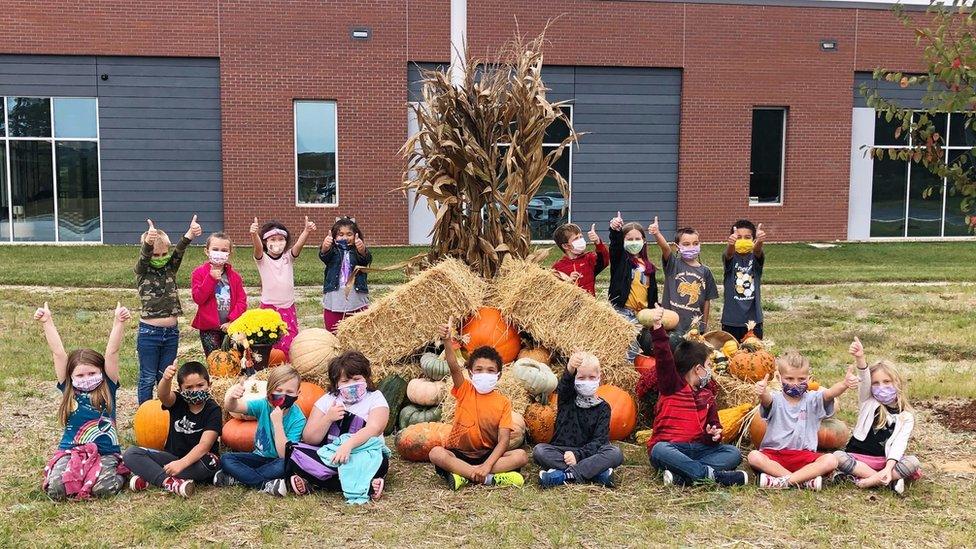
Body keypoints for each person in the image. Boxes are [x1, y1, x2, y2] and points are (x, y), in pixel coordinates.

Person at [642, 306, 747, 487]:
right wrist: (658, 328)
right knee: (658, 449)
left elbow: (714, 428)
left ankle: (683, 476)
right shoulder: (672, 386)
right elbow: (664, 359)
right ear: (698, 369)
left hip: (698, 449)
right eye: (708, 365)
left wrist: (713, 435)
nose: (710, 370)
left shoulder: (708, 396)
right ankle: (711, 475)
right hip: (672, 448)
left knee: (733, 453)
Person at [37, 302, 131, 500]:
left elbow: (112, 352)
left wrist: (118, 322)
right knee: (57, 490)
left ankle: (123, 474)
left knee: (103, 490)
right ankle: (80, 475)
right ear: (70, 376)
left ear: (101, 372)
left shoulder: (108, 386)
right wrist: (47, 321)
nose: (87, 377)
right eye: (80, 375)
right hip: (70, 450)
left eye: (92, 372)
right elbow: (59, 353)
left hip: (106, 452)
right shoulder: (68, 389)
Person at [428, 317, 528, 490]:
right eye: (479, 370)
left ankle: (465, 476)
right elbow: (453, 366)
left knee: (521, 456)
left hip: (487, 455)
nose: (484, 374)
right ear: (471, 373)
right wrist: (446, 340)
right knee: (436, 453)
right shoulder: (464, 389)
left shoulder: (503, 402)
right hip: (459, 454)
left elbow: (504, 441)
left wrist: (487, 465)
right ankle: (487, 478)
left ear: (499, 375)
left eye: (490, 370)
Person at [285, 351, 390, 503]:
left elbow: (375, 428)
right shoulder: (327, 400)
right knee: (295, 452)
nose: (352, 385)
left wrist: (348, 445)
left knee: (381, 460)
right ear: (336, 383)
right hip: (331, 457)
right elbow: (310, 438)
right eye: (345, 381)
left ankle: (317, 481)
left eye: (356, 379)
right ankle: (366, 484)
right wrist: (328, 418)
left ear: (366, 378)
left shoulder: (375, 397)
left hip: (364, 454)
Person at [747, 351, 857, 490]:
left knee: (831, 460)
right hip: (775, 455)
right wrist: (762, 392)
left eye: (801, 379)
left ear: (809, 378)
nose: (795, 384)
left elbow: (829, 394)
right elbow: (766, 400)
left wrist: (844, 384)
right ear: (778, 377)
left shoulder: (813, 400)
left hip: (804, 456)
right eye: (789, 379)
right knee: (754, 456)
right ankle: (803, 481)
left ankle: (783, 481)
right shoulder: (775, 399)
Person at [832, 337, 922, 495]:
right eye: (876, 383)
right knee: (837, 457)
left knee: (913, 462)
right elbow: (864, 378)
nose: (882, 387)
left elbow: (899, 445)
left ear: (898, 383)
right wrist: (860, 358)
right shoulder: (867, 401)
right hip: (859, 458)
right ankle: (885, 481)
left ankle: (871, 479)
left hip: (885, 461)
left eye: (887, 382)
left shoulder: (906, 416)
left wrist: (888, 467)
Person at [123, 361, 222, 498]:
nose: (195, 391)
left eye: (200, 385)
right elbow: (163, 396)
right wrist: (166, 379)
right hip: (173, 458)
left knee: (212, 463)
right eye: (189, 387)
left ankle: (152, 477)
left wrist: (182, 463)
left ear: (209, 385)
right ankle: (169, 482)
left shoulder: (213, 410)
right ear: (181, 390)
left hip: (198, 461)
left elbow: (205, 445)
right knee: (130, 453)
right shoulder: (178, 401)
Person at [134, 215, 202, 403]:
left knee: (165, 376)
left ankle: (165, 410)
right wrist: (148, 243)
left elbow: (179, 251)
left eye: (164, 254)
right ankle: (145, 412)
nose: (160, 258)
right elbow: (143, 258)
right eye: (156, 255)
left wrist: (189, 234)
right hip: (149, 333)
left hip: (171, 333)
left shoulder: (170, 268)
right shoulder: (142, 271)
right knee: (147, 377)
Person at [534, 351, 623, 488]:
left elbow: (599, 441)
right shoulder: (567, 399)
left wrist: (578, 456)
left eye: (592, 377)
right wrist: (570, 368)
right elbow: (564, 386)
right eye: (581, 378)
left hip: (588, 453)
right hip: (562, 451)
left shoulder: (604, 407)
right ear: (574, 379)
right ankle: (595, 474)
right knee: (539, 451)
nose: (587, 381)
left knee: (615, 453)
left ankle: (565, 475)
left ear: (600, 378)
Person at [215, 366, 306, 495]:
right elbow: (233, 407)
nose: (283, 396)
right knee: (226, 458)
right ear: (270, 391)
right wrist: (231, 397)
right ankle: (265, 484)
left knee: (285, 466)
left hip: (278, 462)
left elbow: (284, 455)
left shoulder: (298, 419)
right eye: (278, 390)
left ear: (298, 393)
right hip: (258, 457)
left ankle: (240, 478)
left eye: (289, 392)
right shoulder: (264, 405)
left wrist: (278, 424)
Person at [250, 216, 316, 358]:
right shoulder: (262, 259)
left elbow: (298, 246)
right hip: (268, 307)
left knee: (289, 341)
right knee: (269, 341)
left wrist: (306, 231)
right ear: (265, 242)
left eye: (281, 239)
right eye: (272, 239)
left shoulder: (288, 257)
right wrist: (254, 235)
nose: (277, 242)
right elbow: (258, 248)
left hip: (288, 307)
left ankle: (287, 367)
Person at [651, 222, 718, 334]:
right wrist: (657, 234)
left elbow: (707, 301)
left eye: (695, 243)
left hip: (693, 328)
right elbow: (665, 248)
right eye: (686, 244)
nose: (692, 247)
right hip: (671, 326)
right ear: (677, 247)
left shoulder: (705, 272)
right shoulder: (673, 265)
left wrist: (704, 326)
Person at [191, 232, 247, 357]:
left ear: (229, 253)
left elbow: (241, 301)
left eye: (224, 250)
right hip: (209, 329)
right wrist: (210, 279)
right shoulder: (199, 273)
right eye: (215, 249)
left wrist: (232, 321)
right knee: (215, 360)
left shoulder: (235, 277)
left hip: (231, 327)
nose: (219, 253)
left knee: (235, 358)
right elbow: (198, 298)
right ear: (207, 251)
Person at [320, 216, 372, 333]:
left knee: (358, 330)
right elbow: (324, 256)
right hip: (335, 293)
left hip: (355, 294)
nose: (345, 237)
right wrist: (325, 247)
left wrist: (362, 250)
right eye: (341, 234)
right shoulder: (333, 251)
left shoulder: (357, 250)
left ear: (356, 236)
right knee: (333, 328)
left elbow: (365, 260)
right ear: (334, 237)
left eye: (349, 234)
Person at [607, 211, 658, 322]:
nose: (634, 242)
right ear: (623, 241)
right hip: (623, 312)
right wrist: (615, 230)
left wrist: (654, 309)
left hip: (643, 314)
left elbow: (653, 293)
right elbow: (615, 245)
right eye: (629, 239)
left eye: (637, 239)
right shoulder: (620, 260)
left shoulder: (649, 266)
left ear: (643, 241)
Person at [721, 220, 767, 341]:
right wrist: (731, 244)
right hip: (731, 321)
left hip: (753, 321)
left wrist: (760, 241)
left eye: (747, 237)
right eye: (738, 237)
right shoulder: (730, 258)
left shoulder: (756, 258)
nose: (742, 240)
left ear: (753, 239)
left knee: (754, 356)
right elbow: (728, 254)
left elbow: (757, 251)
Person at [551, 222, 609, 296]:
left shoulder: (589, 258)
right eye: (576, 239)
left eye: (581, 237)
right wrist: (568, 280)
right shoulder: (558, 267)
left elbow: (604, 261)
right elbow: (555, 292)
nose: (580, 240)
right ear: (565, 246)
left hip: (590, 304)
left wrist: (598, 242)